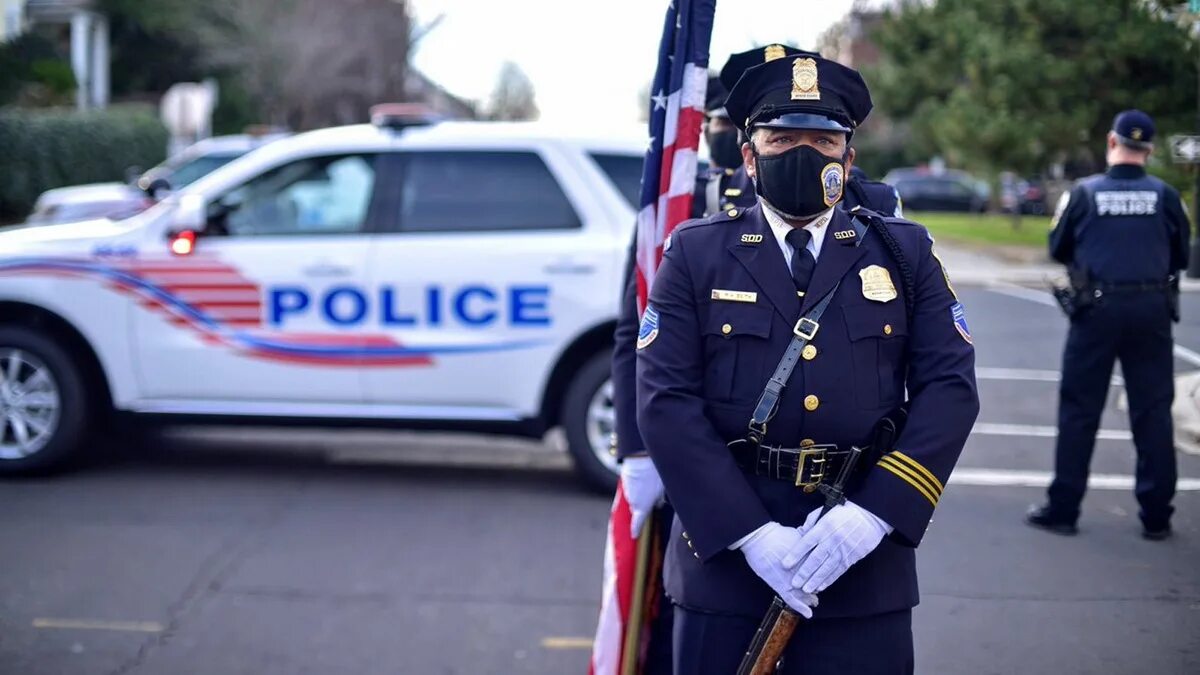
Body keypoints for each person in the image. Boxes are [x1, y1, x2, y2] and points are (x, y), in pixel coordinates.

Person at [633, 52, 979, 674]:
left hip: (862, 559)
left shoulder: (903, 253)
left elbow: (950, 388)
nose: (804, 153)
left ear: (848, 158)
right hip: (728, 560)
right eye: (782, 139)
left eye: (823, 141)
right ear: (749, 155)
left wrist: (875, 515)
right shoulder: (696, 254)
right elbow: (665, 401)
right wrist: (749, 534)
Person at [1028, 110, 1191, 540]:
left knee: (1080, 410)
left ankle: (1064, 509)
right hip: (1151, 308)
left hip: (1096, 309)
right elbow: (1182, 255)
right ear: (1149, 150)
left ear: (1111, 142)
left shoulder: (1084, 193)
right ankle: (1156, 516)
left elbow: (1058, 246)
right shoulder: (1166, 196)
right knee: (1153, 411)